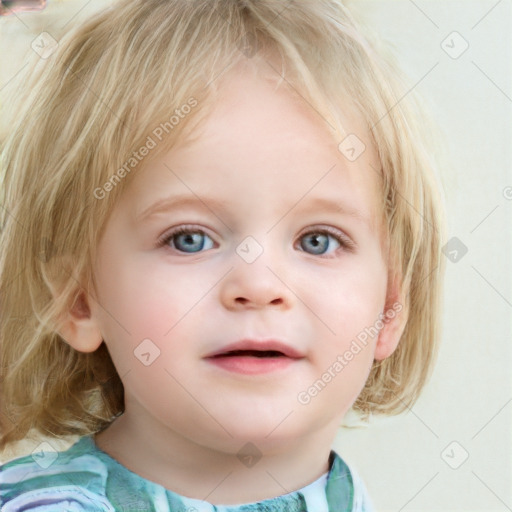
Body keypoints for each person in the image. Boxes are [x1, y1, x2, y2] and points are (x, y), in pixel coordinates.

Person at [0, 0, 445, 510]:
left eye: (318, 240)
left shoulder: (347, 496)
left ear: (390, 306)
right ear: (79, 298)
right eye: (189, 238)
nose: (259, 286)